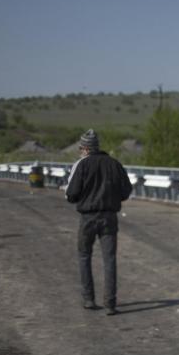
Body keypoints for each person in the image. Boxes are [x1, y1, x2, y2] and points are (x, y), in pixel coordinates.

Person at [65, 129, 133, 315]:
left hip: (88, 218)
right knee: (109, 259)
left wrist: (83, 198)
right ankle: (110, 304)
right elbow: (126, 190)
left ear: (85, 149)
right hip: (109, 217)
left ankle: (89, 299)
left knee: (84, 256)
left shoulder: (82, 165)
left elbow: (71, 194)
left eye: (81, 148)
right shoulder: (114, 164)